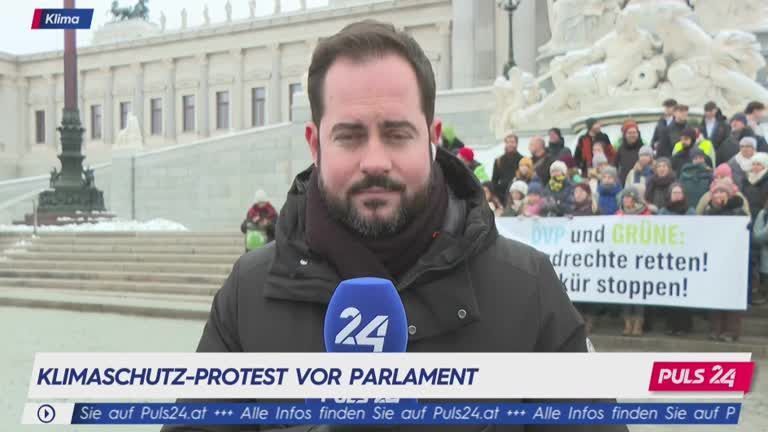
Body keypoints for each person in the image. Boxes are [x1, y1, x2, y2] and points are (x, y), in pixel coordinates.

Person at [165, 21, 630, 432]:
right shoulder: (248, 295)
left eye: (396, 134)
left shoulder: (527, 289)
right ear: (315, 144)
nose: (375, 161)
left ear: (431, 138)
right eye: (349, 136)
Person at [703, 180, 748, 342]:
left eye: (723, 192)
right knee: (715, 295)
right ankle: (715, 329)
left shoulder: (739, 212)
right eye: (716, 192)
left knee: (732, 296)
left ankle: (731, 331)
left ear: (729, 195)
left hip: (734, 260)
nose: (719, 195)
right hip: (715, 259)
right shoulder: (708, 212)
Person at [658, 183, 695, 336]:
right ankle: (671, 325)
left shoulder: (690, 212)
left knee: (684, 293)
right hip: (668, 258)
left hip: (685, 258)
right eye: (674, 193)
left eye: (679, 193)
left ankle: (684, 325)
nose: (677, 195)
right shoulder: (663, 212)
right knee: (670, 294)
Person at [615, 186, 650, 336]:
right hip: (624, 258)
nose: (626, 200)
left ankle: (638, 323)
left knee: (638, 291)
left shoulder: (645, 215)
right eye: (624, 197)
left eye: (629, 197)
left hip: (640, 258)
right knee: (626, 290)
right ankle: (627, 322)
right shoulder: (618, 215)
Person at [491, 132, 523, 205]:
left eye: (512, 142)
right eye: (507, 142)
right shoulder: (498, 160)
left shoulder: (522, 160)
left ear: (516, 144)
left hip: (517, 194)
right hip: (501, 195)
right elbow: (494, 180)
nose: (510, 144)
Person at [615, 119, 645, 184]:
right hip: (624, 181)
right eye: (629, 133)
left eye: (634, 133)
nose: (632, 135)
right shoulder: (621, 149)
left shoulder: (643, 148)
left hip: (640, 180)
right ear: (625, 135)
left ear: (638, 134)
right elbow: (615, 165)